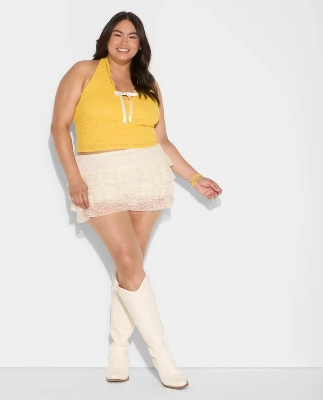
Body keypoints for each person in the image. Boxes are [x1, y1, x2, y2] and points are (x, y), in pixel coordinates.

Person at [51, 11, 222, 390]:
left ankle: (119, 351)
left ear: (140, 43)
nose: (124, 41)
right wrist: (74, 177)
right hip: (99, 177)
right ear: (106, 38)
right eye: (117, 34)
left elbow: (162, 141)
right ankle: (163, 357)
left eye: (132, 36)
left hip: (148, 175)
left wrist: (196, 179)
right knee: (129, 262)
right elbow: (59, 127)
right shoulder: (83, 71)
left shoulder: (149, 83)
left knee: (131, 267)